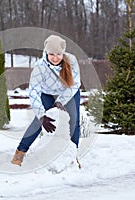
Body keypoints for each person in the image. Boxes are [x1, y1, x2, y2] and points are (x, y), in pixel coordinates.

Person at [11, 35, 81, 167]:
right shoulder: (40, 67)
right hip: (47, 94)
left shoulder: (71, 60)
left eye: (59, 54)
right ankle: (20, 153)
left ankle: (73, 155)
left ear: (63, 52)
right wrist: (42, 116)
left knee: (74, 122)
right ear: (46, 53)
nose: (55, 58)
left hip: (68, 92)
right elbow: (34, 92)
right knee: (38, 122)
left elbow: (75, 84)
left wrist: (60, 101)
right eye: (51, 54)